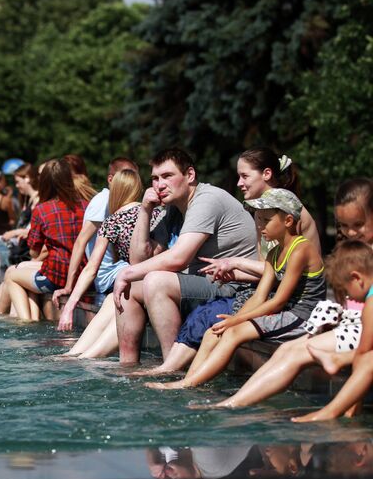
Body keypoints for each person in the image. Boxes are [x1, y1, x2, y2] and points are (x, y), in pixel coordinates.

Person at [135, 148, 322, 374]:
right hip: (269, 293)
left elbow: (276, 281)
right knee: (209, 321)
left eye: (245, 176)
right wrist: (230, 271)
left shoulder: (290, 215)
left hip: (295, 305)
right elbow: (269, 272)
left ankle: (178, 375)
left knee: (215, 320)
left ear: (266, 174)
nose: (239, 183)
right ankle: (181, 376)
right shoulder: (260, 214)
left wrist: (235, 264)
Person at [205, 178, 373, 408]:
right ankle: (233, 402)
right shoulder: (352, 252)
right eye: (344, 225)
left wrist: (238, 319)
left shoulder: (302, 248)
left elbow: (279, 300)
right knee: (286, 350)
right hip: (350, 326)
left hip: (349, 328)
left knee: (296, 353)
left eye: (358, 224)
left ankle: (329, 411)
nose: (351, 232)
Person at [111, 149, 258, 363]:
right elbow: (139, 260)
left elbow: (179, 258)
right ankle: (128, 366)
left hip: (239, 285)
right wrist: (144, 210)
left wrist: (126, 273)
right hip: (208, 281)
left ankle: (172, 366)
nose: (159, 185)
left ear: (190, 175)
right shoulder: (174, 209)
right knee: (132, 288)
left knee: (155, 281)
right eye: (155, 178)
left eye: (167, 176)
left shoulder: (207, 200)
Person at [61, 171, 164, 354]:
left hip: (139, 284)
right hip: (152, 279)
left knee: (116, 298)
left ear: (115, 191)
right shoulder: (157, 213)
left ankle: (77, 354)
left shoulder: (111, 222)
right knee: (113, 298)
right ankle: (82, 356)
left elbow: (91, 269)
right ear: (138, 189)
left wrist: (69, 306)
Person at [52, 157, 140, 331]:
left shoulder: (119, 206)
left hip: (113, 274)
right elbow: (80, 242)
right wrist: (69, 286)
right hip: (109, 277)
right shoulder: (104, 202)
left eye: (134, 176)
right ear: (111, 179)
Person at [291, 241, 373, 422]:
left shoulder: (371, 304)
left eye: (345, 291)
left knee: (367, 359)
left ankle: (329, 412)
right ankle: (338, 359)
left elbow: (363, 354)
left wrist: (353, 406)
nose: (349, 297)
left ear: (357, 278)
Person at [3, 158, 86, 320]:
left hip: (56, 277)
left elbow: (34, 252)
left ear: (45, 182)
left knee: (12, 276)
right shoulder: (86, 205)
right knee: (24, 274)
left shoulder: (42, 210)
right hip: (82, 274)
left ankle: (26, 322)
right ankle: (31, 319)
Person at [0, 163, 41, 315]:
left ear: (27, 179)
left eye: (18, 181)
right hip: (25, 254)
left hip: (31, 254)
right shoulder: (29, 200)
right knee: (7, 281)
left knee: (9, 279)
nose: (16, 186)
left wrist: (16, 232)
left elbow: (37, 229)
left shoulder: (38, 200)